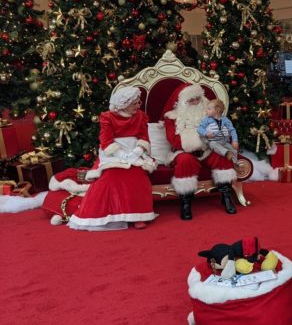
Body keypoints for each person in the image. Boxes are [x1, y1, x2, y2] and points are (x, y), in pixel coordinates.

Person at [68, 86, 158, 230]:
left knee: (137, 177)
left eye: (138, 103)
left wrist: (137, 150)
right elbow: (106, 140)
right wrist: (121, 155)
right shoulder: (108, 117)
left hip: (135, 150)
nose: (137, 106)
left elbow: (143, 136)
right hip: (113, 153)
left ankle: (138, 216)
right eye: (134, 103)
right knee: (110, 176)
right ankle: (109, 214)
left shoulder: (140, 116)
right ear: (124, 104)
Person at [163, 83, 238, 218]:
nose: (196, 102)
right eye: (191, 100)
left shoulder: (210, 111)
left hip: (208, 150)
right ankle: (186, 202)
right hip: (184, 152)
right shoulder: (172, 117)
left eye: (198, 98)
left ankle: (226, 195)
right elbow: (175, 141)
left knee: (222, 156)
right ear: (183, 101)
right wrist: (202, 139)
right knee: (185, 161)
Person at [197, 98, 240, 168]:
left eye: (209, 109)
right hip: (213, 141)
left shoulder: (225, 120)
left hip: (223, 141)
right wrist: (206, 133)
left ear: (217, 110)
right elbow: (199, 128)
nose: (206, 111)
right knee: (213, 144)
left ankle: (235, 163)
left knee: (234, 150)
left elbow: (232, 130)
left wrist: (235, 141)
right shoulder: (207, 120)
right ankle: (226, 153)